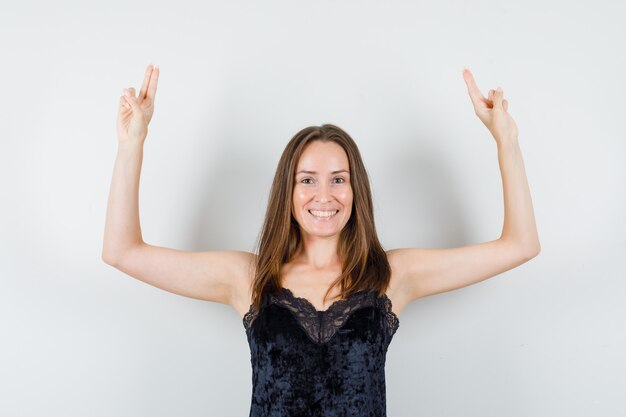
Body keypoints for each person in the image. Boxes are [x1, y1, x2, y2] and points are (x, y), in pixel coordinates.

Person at [102, 64, 540, 416]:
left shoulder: (393, 275)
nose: (324, 196)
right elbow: (122, 252)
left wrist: (507, 140)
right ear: (288, 192)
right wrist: (132, 144)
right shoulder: (249, 278)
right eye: (307, 180)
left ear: (356, 191)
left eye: (338, 180)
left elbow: (520, 244)